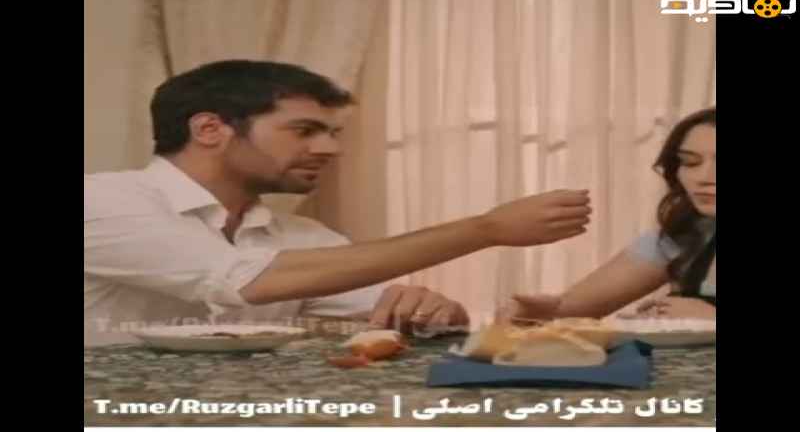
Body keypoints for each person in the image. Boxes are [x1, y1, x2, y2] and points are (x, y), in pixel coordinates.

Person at [84, 60, 592, 345]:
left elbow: (394, 309)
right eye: (305, 130)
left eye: (332, 133)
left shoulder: (300, 238)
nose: (330, 149)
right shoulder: (102, 199)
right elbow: (245, 281)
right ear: (210, 129)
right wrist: (485, 229)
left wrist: (436, 312)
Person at [507, 107, 716, 321]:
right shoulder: (684, 235)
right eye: (690, 163)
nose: (704, 177)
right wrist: (537, 313)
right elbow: (572, 309)